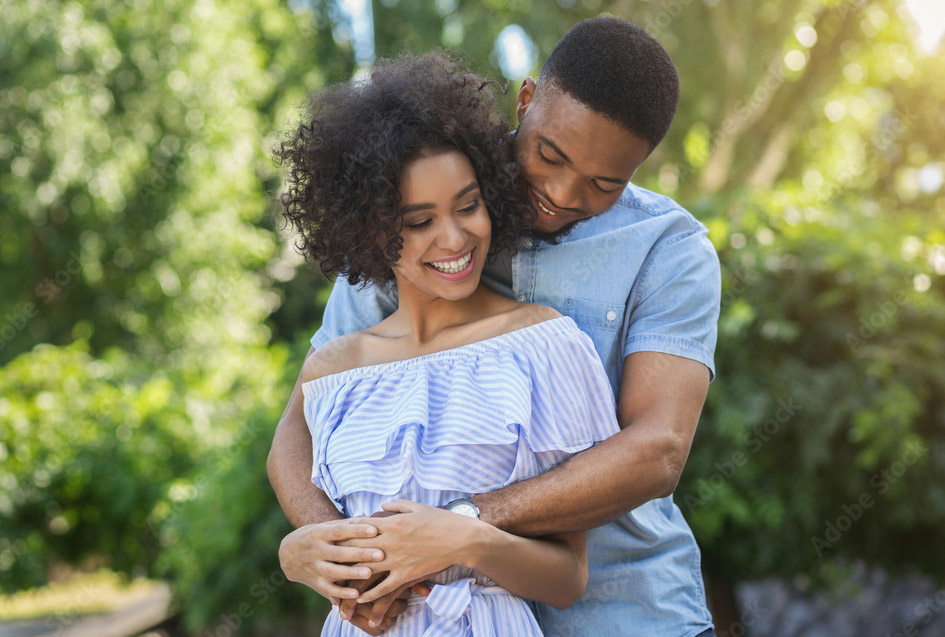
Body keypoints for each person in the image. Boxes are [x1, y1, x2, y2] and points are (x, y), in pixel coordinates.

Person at [270, 17, 721, 637]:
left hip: (629, 612)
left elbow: (657, 450)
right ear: (526, 99)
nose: (562, 193)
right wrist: (344, 557)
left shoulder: (669, 251)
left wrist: (464, 526)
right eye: (550, 155)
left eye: (604, 183)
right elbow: (301, 426)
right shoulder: (413, 200)